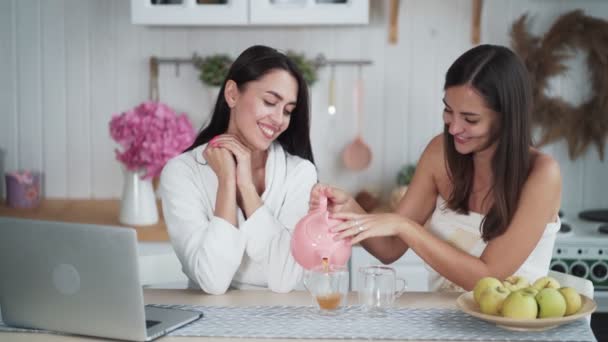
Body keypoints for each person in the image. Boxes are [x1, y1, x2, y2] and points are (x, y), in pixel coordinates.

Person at [311, 44, 562, 291]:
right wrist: (349, 209)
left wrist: (404, 226)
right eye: (448, 110)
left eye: (470, 119)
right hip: (445, 324)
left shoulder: (542, 174)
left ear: (507, 117)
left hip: (513, 328)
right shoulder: (440, 153)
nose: (453, 128)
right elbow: (389, 248)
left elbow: (487, 277)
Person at [160, 45, 317, 294]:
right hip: (210, 322)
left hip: (283, 320)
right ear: (232, 94)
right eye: (269, 102)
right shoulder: (181, 173)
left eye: (288, 110)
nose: (279, 120)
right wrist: (226, 182)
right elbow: (212, 281)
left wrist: (245, 187)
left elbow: (285, 278)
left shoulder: (300, 173)